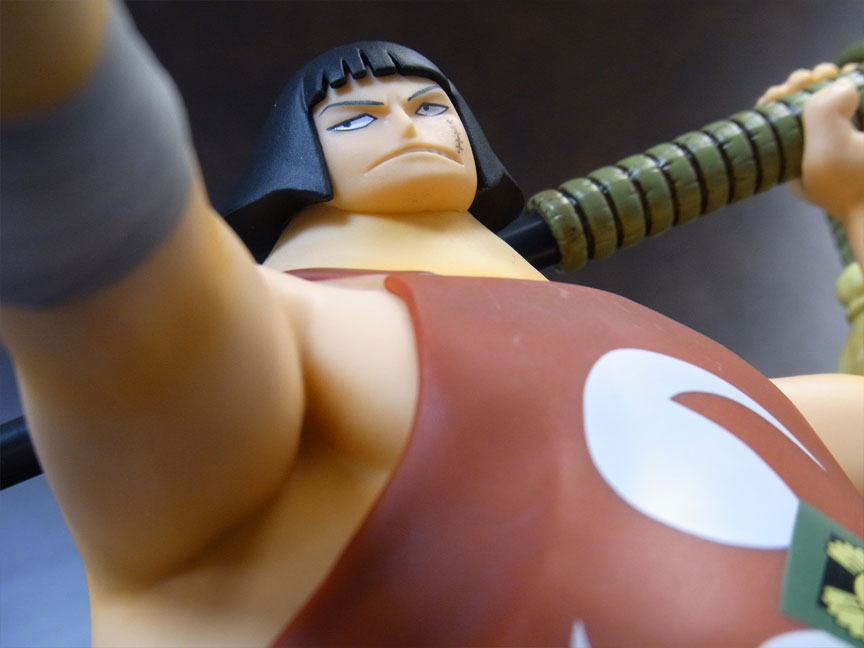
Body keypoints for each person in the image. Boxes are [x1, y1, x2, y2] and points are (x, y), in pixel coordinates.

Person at [1, 1, 862, 646]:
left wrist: (853, 205)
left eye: (430, 107)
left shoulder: (704, 391)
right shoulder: (294, 352)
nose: (407, 127)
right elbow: (93, 207)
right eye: (358, 117)